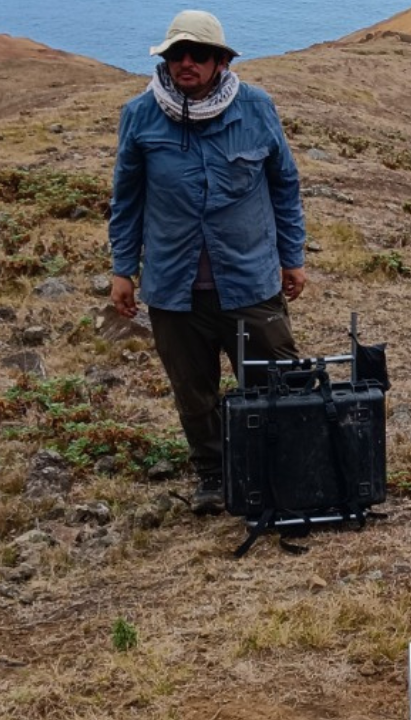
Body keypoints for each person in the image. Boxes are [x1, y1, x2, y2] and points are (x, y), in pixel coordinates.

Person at [108, 10, 307, 515]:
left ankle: (279, 468)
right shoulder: (139, 115)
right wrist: (122, 268)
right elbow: (127, 197)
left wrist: (292, 257)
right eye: (177, 54)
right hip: (174, 288)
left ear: (221, 61)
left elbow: (284, 184)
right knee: (194, 394)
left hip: (250, 280)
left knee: (273, 381)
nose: (186, 63)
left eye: (198, 54)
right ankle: (214, 475)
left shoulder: (257, 108)